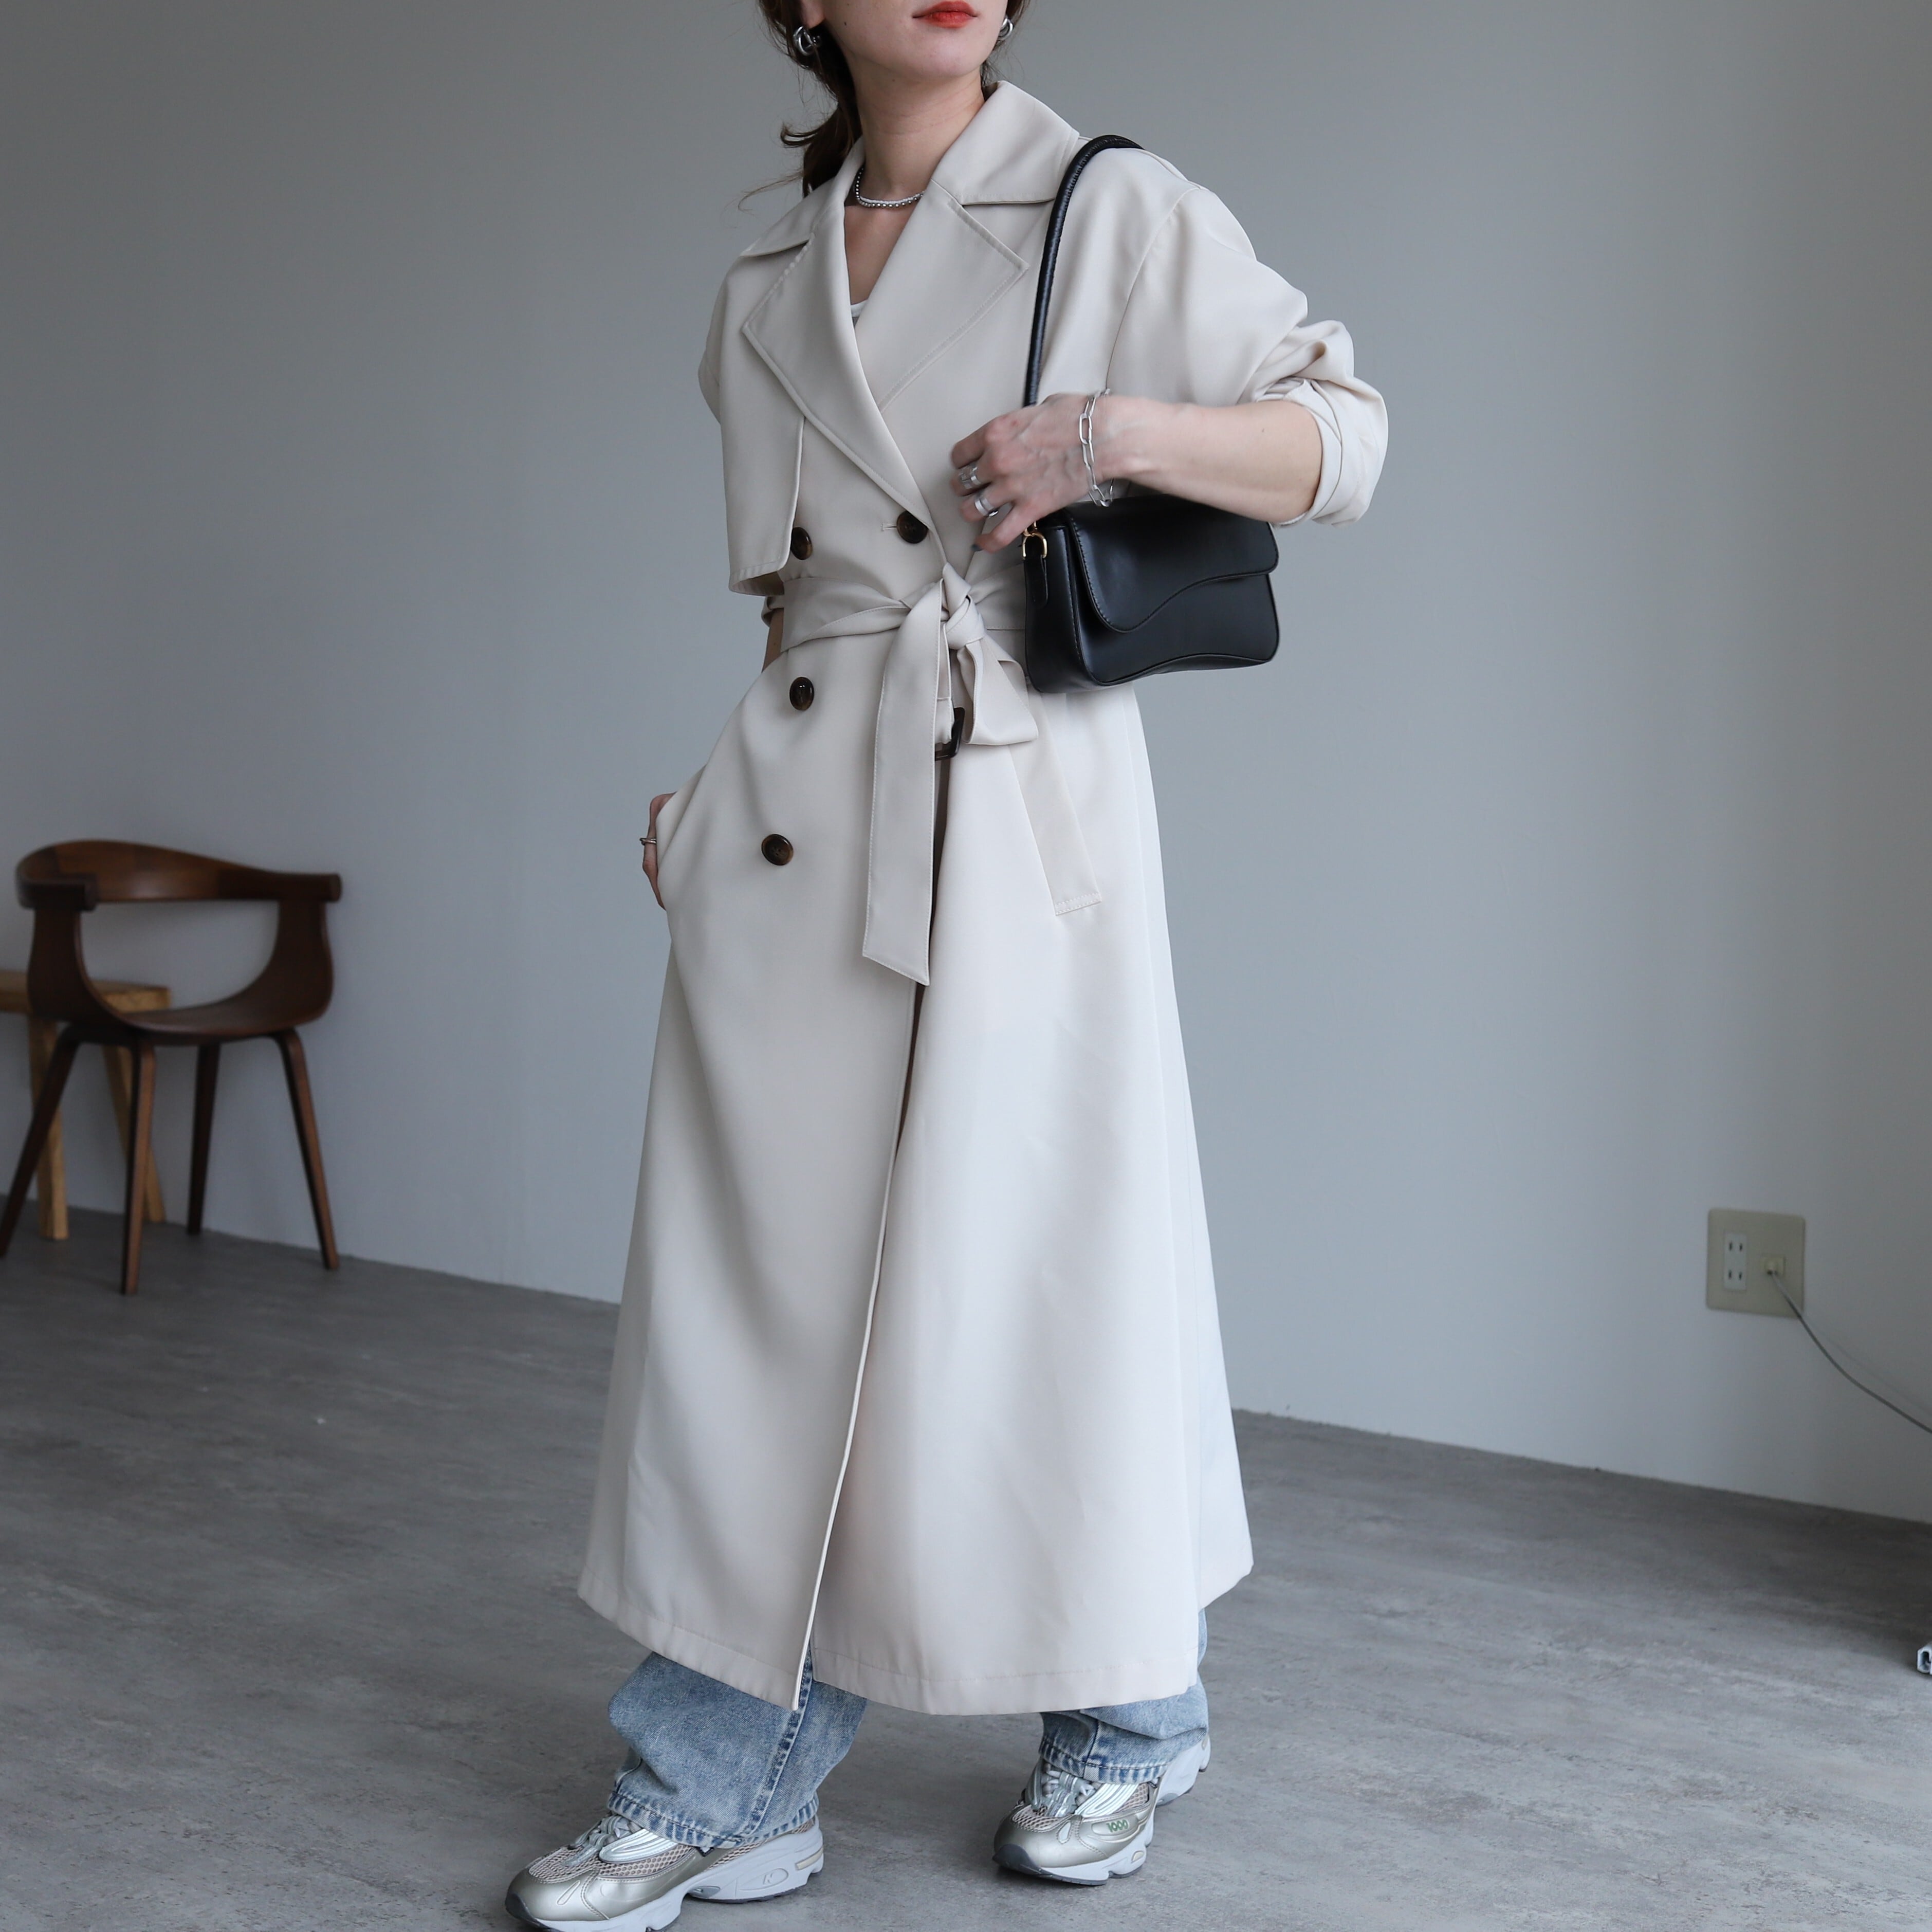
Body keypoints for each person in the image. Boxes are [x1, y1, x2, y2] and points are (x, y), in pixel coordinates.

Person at [507, 3, 1385, 1924]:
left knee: (1032, 1286)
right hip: (792, 829)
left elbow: (1344, 439)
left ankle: (1126, 1716)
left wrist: (1105, 436)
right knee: (762, 1317)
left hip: (1012, 821)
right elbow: (797, 602)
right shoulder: (766, 275)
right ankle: (727, 1776)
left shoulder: (1108, 204)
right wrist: (714, 791)